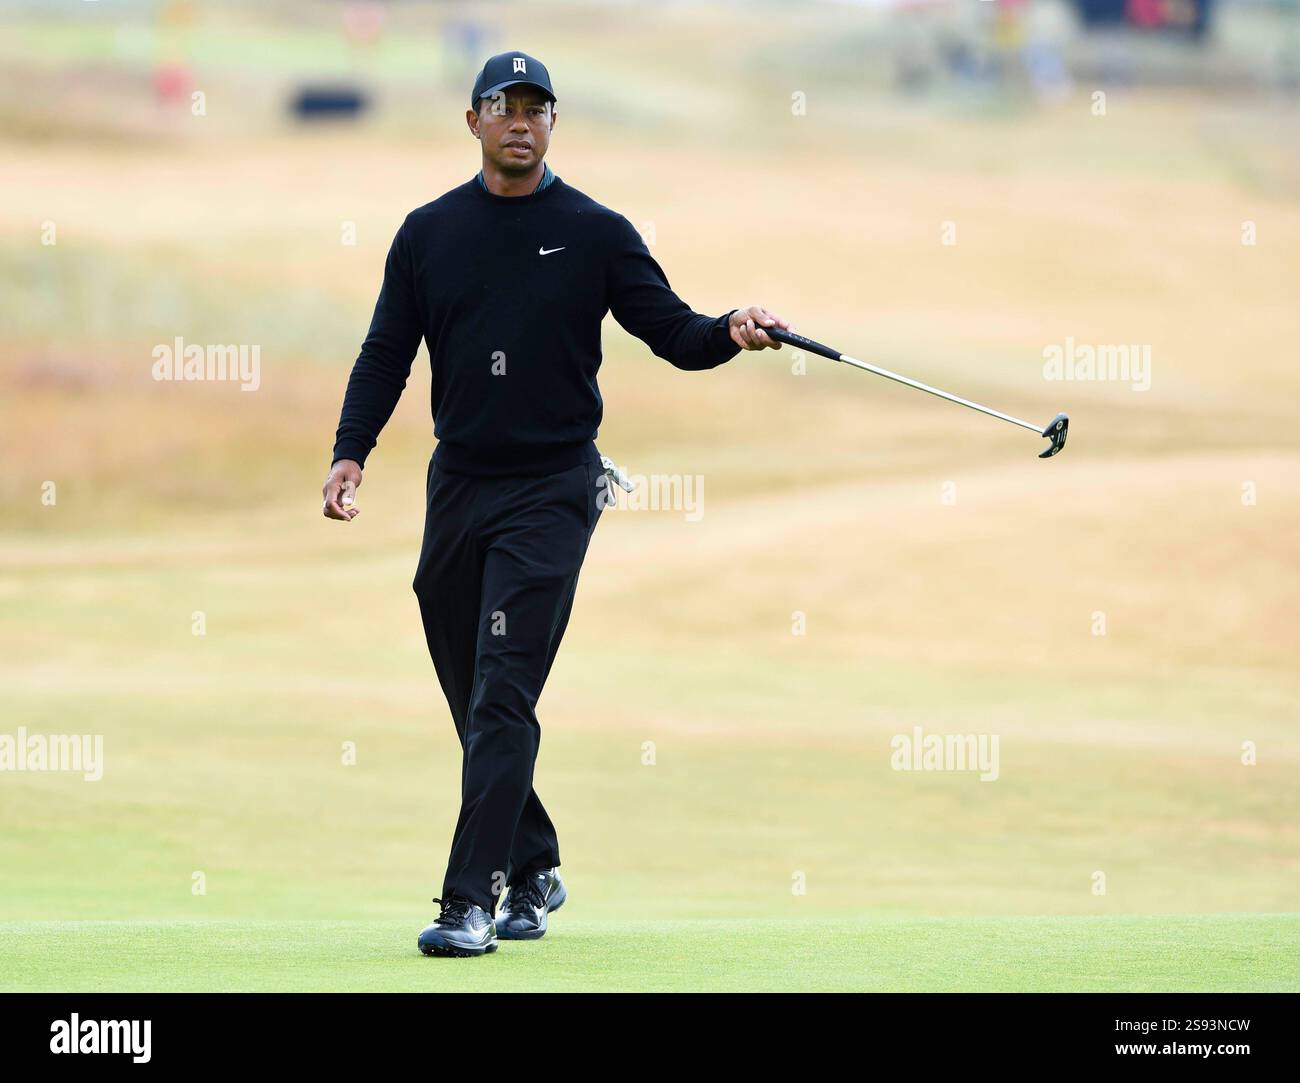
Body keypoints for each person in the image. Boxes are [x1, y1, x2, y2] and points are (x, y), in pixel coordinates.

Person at [322, 50, 790, 957]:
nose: (520, 120)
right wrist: (351, 451)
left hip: (552, 489)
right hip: (457, 483)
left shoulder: (597, 233)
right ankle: (534, 861)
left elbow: (676, 334)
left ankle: (472, 899)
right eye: (503, 105)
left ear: (551, 123)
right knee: (473, 687)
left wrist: (731, 330)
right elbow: (386, 352)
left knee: (503, 686)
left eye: (536, 106)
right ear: (473, 123)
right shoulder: (427, 234)